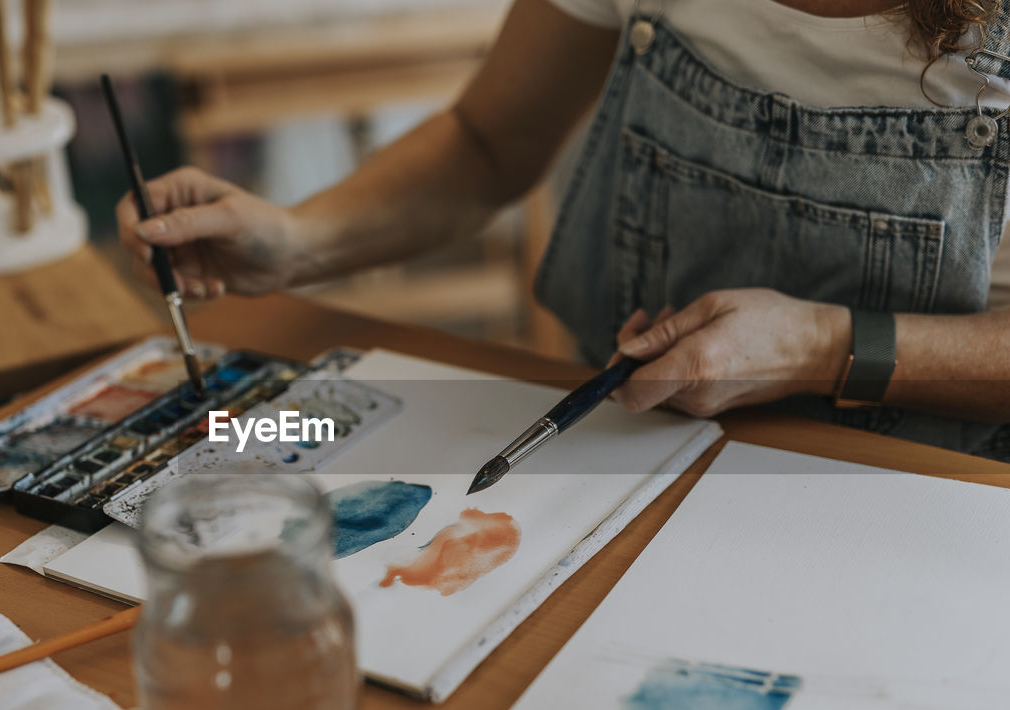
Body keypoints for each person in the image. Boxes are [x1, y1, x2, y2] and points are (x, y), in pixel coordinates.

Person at [117, 0, 1010, 459]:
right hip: (630, 447)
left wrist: (824, 346)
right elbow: (486, 143)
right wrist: (295, 239)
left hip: (923, 489)